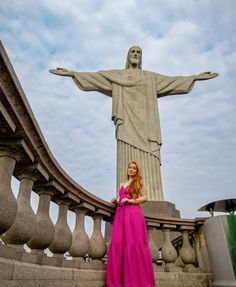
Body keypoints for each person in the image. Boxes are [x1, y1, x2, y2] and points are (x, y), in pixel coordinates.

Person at [50, 46, 218, 200]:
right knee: (127, 161)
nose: (136, 54)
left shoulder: (150, 77)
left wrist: (195, 78)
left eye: (139, 52)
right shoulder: (117, 76)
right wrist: (73, 74)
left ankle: (151, 197)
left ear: (141, 57)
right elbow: (96, 78)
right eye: (133, 52)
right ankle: (126, 196)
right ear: (128, 56)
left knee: (149, 162)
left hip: (147, 127)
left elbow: (172, 81)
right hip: (126, 125)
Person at [106, 161, 155, 287]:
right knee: (118, 243)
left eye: (134, 168)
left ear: (137, 171)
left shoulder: (137, 183)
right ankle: (116, 285)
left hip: (133, 214)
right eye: (130, 167)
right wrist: (115, 200)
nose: (131, 169)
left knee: (133, 244)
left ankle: (136, 283)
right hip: (121, 215)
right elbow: (121, 198)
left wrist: (130, 200)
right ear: (127, 169)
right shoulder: (122, 184)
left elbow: (145, 197)